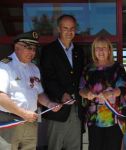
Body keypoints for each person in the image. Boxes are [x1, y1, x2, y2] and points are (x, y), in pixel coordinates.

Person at [0, 31, 61, 150]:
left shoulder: (34, 68)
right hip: (9, 120)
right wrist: (23, 113)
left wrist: (49, 104)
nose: (32, 52)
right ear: (17, 47)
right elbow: (1, 96)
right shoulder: (4, 66)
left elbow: (39, 93)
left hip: (30, 121)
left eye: (34, 48)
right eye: (28, 48)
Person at [40, 14, 85, 150]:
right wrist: (62, 94)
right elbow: (47, 77)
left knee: (75, 146)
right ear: (58, 29)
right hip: (57, 108)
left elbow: (82, 76)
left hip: (77, 108)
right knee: (55, 146)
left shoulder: (79, 51)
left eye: (72, 28)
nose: (69, 32)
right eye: (65, 28)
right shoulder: (48, 50)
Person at [79, 36, 126, 150]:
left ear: (109, 50)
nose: (100, 51)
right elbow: (81, 89)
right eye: (97, 48)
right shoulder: (88, 68)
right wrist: (87, 94)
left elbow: (123, 88)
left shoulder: (118, 67)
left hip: (114, 117)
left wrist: (109, 94)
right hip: (94, 118)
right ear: (93, 50)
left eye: (104, 48)